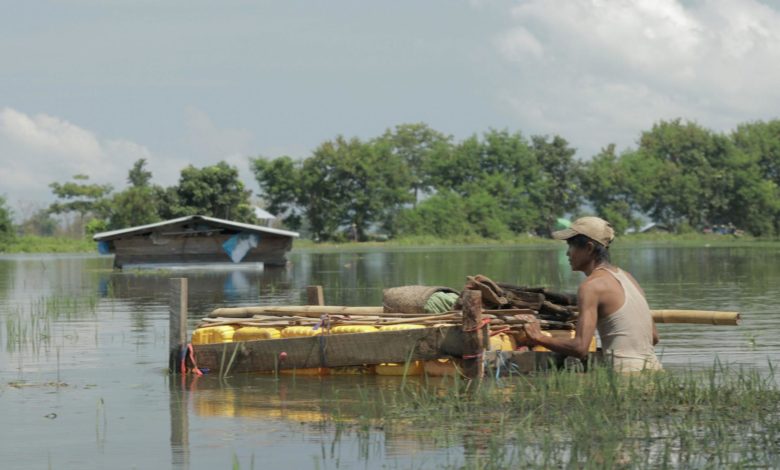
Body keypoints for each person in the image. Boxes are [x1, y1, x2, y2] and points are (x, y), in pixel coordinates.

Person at [523, 216, 662, 372]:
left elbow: (580, 347)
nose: (568, 254)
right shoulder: (629, 278)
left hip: (626, 376)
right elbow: (654, 337)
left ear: (589, 248)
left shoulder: (591, 287)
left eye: (571, 246)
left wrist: (538, 336)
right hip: (655, 371)